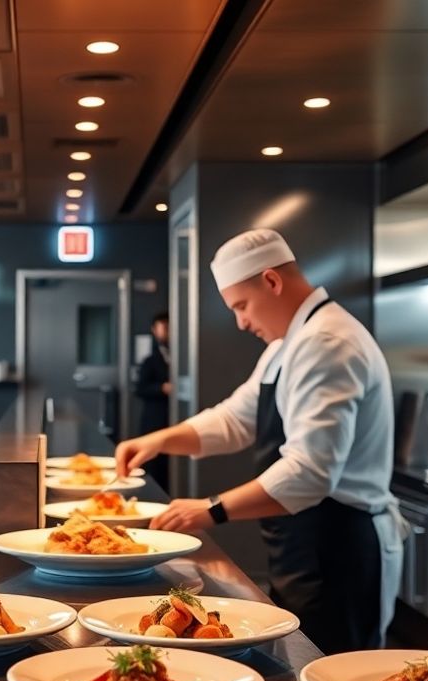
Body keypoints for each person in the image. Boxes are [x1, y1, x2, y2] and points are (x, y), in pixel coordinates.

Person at [115, 229, 405, 654]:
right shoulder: (287, 345)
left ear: (271, 281)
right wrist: (160, 439)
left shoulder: (327, 341)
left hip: (341, 545)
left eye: (242, 306)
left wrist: (211, 509)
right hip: (305, 543)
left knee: (334, 673)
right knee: (305, 664)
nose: (241, 322)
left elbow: (310, 472)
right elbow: (235, 419)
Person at [134, 311, 172, 487]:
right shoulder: (150, 360)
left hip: (176, 418)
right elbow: (140, 388)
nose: (168, 331)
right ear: (154, 330)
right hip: (155, 418)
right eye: (164, 327)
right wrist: (162, 388)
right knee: (154, 466)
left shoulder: (183, 355)